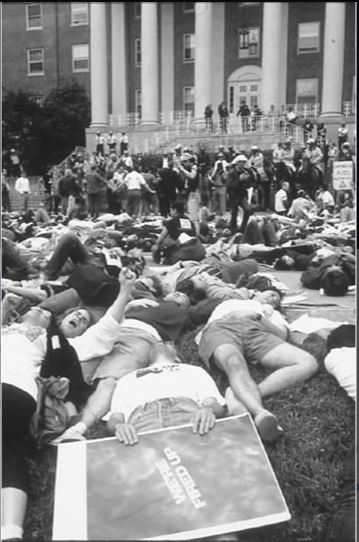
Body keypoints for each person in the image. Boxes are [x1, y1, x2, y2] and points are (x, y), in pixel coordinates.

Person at [1, 268, 137, 542]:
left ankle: (11, 532)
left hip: (12, 389)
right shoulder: (8, 328)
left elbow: (107, 327)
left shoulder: (67, 343)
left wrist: (124, 290)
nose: (77, 316)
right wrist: (4, 307)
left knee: (8, 449)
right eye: (74, 313)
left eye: (84, 319)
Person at [197, 298, 318, 443]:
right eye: (270, 293)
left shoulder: (273, 314)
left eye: (275, 297)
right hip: (222, 328)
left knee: (308, 362)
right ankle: (260, 414)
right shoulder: (229, 302)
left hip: (255, 330)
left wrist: (257, 316)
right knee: (234, 361)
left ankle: (237, 393)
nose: (272, 297)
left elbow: (281, 335)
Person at [105, 341, 226, 443]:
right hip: (143, 422)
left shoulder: (193, 371)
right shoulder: (127, 379)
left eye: (168, 343)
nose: (161, 342)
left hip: (189, 417)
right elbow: (116, 416)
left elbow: (212, 403)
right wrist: (119, 426)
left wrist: (208, 410)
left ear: (177, 359)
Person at [152, 200, 205, 265]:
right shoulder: (190, 222)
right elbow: (196, 234)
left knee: (155, 247)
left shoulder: (171, 222)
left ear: (175, 210)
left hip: (181, 254)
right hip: (196, 253)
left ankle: (158, 262)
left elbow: (160, 239)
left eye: (171, 210)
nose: (170, 212)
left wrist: (157, 245)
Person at [226, 155, 251, 235]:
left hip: (242, 195)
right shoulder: (231, 173)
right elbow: (230, 184)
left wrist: (247, 180)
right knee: (234, 213)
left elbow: (248, 185)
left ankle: (242, 228)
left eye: (244, 163)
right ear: (238, 163)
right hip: (234, 195)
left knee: (247, 210)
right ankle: (233, 230)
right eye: (242, 162)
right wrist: (239, 180)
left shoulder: (244, 172)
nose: (243, 164)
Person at [177, 154, 200, 232]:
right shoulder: (190, 168)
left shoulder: (194, 167)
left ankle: (197, 234)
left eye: (184, 162)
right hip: (190, 193)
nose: (183, 164)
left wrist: (182, 170)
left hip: (193, 193)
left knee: (194, 216)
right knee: (191, 214)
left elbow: (192, 176)